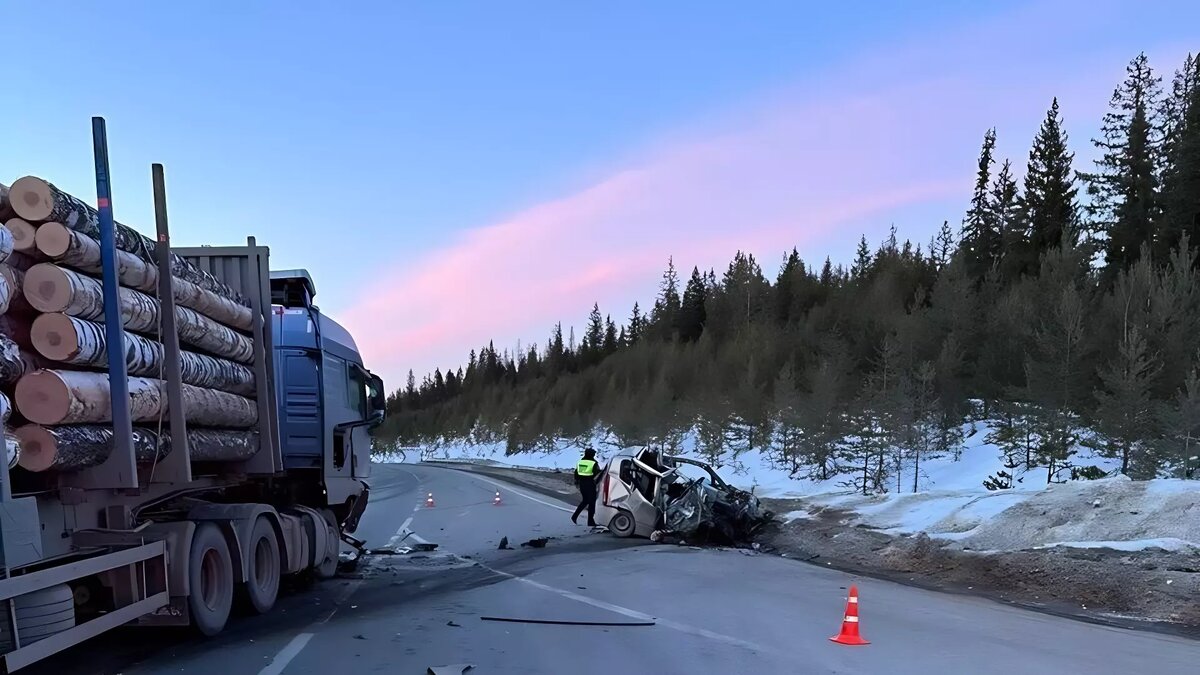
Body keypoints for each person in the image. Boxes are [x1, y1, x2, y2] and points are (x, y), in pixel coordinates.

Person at [571, 447, 602, 526]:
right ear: (592, 454)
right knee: (592, 502)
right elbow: (597, 473)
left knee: (585, 500)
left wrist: (577, 482)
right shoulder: (593, 463)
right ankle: (590, 521)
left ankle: (575, 516)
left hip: (582, 483)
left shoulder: (580, 462)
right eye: (594, 454)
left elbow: (576, 473)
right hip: (590, 483)